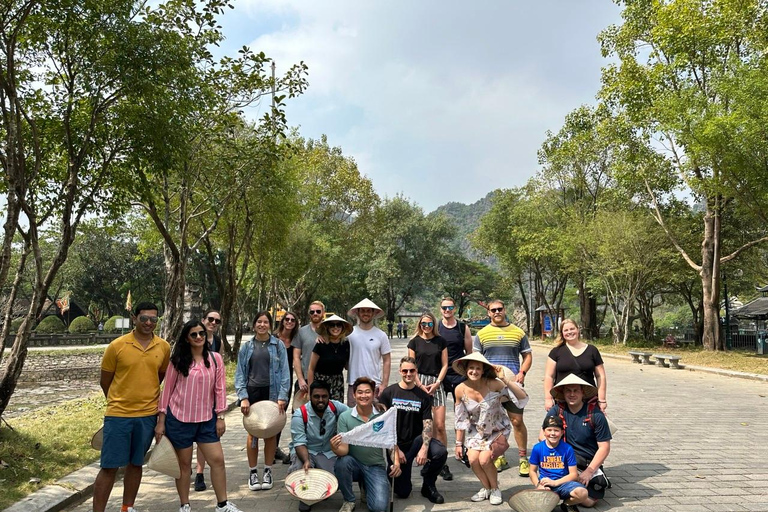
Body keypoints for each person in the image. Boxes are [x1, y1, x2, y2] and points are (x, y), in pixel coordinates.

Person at [156, 320, 242, 512]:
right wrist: (161, 421)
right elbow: (167, 390)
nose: (199, 337)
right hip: (179, 420)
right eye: (193, 334)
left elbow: (219, 390)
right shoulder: (177, 361)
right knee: (184, 465)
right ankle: (185, 505)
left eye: (201, 333)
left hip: (206, 420)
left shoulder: (215, 359)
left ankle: (222, 504)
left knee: (217, 460)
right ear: (187, 338)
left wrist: (221, 416)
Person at [92, 302, 171, 512]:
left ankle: (127, 507)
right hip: (118, 416)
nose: (148, 323)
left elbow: (160, 376)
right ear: (134, 318)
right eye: (144, 318)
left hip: (147, 416)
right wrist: (120, 400)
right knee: (109, 467)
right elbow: (105, 381)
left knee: (136, 464)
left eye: (153, 319)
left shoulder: (163, 347)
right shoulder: (117, 346)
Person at [453, 352, 529, 506]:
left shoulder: (493, 384)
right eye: (471, 368)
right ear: (466, 370)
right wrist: (458, 443)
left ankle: (495, 489)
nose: (474, 371)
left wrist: (504, 379)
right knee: (473, 459)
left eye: (478, 368)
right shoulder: (460, 389)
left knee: (485, 459)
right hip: (476, 430)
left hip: (497, 428)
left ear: (483, 371)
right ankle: (486, 488)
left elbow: (521, 396)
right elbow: (460, 419)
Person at [473, 299, 533, 476]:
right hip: (490, 385)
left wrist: (522, 372)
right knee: (493, 422)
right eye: (493, 310)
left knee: (517, 420)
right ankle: (500, 456)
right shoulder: (482, 334)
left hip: (512, 383)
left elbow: (527, 356)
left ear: (504, 310)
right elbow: (477, 360)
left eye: (499, 309)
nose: (497, 312)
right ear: (488, 313)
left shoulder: (518, 332)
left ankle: (523, 458)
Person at [379, 357, 448, 504]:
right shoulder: (388, 393)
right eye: (405, 370)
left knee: (440, 452)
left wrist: (424, 447)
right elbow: (383, 426)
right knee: (403, 492)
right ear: (400, 371)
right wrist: (395, 449)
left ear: (416, 372)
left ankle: (428, 484)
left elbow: (428, 423)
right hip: (395, 443)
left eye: (412, 370)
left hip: (417, 440)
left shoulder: (423, 396)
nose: (408, 374)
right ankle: (392, 476)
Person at [235, 311, 290, 492]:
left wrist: (282, 396)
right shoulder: (247, 346)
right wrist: (243, 397)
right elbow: (240, 373)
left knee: (271, 432)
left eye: (266, 322)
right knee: (253, 433)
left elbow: (285, 373)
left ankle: (267, 471)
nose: (262, 325)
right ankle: (253, 472)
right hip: (252, 393)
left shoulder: (278, 345)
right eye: (259, 321)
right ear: (254, 324)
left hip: (273, 394)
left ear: (270, 325)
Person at [331, 377, 401, 512]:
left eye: (367, 392)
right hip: (353, 464)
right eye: (360, 392)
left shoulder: (382, 416)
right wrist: (335, 448)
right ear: (354, 395)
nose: (364, 395)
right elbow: (344, 451)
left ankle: (366, 487)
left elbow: (391, 443)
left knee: (379, 508)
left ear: (374, 394)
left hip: (376, 466)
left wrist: (396, 462)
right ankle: (349, 500)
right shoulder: (345, 417)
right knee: (342, 462)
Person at [544, 374, 612, 508]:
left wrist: (589, 472)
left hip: (586, 464)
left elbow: (604, 447)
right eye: (568, 390)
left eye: (576, 390)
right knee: (546, 486)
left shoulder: (596, 415)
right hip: (562, 460)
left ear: (582, 393)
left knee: (589, 502)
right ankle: (561, 488)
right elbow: (542, 435)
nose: (572, 394)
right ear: (563, 393)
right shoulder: (557, 410)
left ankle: (566, 497)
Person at [289, 379, 350, 512]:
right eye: (316, 396)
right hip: (306, 451)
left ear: (329, 396)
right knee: (302, 469)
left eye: (324, 396)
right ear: (310, 396)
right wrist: (306, 461)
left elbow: (354, 413)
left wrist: (373, 405)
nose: (320, 400)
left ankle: (320, 492)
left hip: (327, 452)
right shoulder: (300, 415)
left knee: (334, 480)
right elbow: (299, 443)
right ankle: (305, 498)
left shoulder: (336, 407)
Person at [407, 312, 450, 480]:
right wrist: (419, 384)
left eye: (430, 324)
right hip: (419, 382)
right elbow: (410, 366)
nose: (426, 326)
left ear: (434, 325)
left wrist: (438, 382)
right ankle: (423, 457)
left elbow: (445, 364)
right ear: (420, 324)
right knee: (423, 425)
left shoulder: (441, 341)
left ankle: (442, 462)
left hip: (436, 382)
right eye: (424, 324)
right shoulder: (414, 342)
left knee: (439, 425)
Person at [437, 296, 473, 481]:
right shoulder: (435, 327)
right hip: (440, 377)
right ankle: (442, 461)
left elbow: (470, 354)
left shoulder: (462, 327)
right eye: (444, 307)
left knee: (461, 415)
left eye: (450, 307)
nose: (447, 310)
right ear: (440, 308)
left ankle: (461, 448)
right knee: (439, 423)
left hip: (459, 375)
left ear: (454, 308)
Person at [543, 319, 607, 413]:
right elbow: (549, 376)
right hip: (563, 399)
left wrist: (602, 399)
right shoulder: (556, 352)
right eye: (566, 330)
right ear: (562, 333)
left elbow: (600, 375)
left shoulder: (592, 350)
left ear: (578, 330)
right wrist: (548, 398)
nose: (570, 332)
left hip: (588, 399)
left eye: (572, 329)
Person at [529, 416, 588, 512]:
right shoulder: (538, 448)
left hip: (564, 483)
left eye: (556, 430)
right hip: (545, 484)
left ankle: (567, 504)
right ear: (544, 432)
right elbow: (532, 471)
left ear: (562, 432)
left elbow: (573, 474)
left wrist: (555, 482)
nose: (552, 433)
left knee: (583, 493)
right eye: (549, 430)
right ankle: (549, 504)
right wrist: (538, 484)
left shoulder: (567, 448)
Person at [194, 309, 223, 491]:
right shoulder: (194, 337)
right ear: (203, 320)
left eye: (217, 321)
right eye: (210, 319)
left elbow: (218, 370)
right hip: (191, 397)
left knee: (205, 437)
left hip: (210, 397)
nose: (213, 323)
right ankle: (194, 471)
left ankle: (199, 472)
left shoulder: (217, 342)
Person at [346, 298, 391, 403]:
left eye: (368, 311)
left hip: (374, 384)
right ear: (358, 312)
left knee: (375, 417)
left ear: (374, 313)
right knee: (353, 417)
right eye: (362, 311)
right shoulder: (349, 334)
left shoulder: (381, 335)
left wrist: (384, 384)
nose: (365, 314)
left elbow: (387, 360)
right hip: (354, 383)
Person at [275, 310, 300, 464]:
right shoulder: (273, 337)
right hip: (271, 379)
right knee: (270, 413)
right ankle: (269, 450)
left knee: (280, 411)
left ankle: (275, 448)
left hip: (287, 378)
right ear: (283, 321)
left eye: (293, 320)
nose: (289, 322)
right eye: (287, 319)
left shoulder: (295, 340)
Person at [308, 314, 352, 403]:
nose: (335, 328)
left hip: (337, 383)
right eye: (332, 325)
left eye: (338, 325)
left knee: (336, 410)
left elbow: (347, 365)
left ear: (342, 327)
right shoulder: (321, 344)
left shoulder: (345, 344)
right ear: (328, 327)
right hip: (321, 382)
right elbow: (311, 369)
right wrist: (310, 390)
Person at [293, 301, 326, 403]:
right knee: (301, 414)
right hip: (305, 380)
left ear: (323, 312)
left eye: (318, 311)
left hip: (324, 379)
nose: (315, 313)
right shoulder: (301, 332)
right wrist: (301, 379)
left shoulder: (330, 331)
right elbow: (296, 357)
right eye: (312, 312)